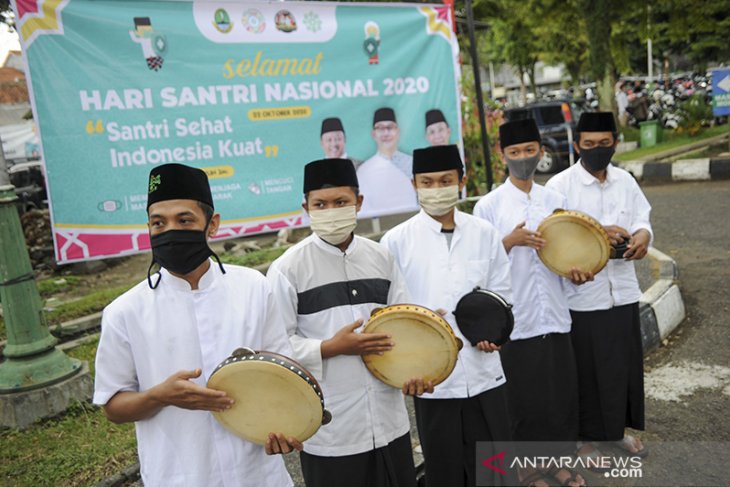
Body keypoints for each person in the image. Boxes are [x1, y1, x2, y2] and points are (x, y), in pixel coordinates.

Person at [93, 163, 297, 487]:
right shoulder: (125, 312)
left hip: (258, 474)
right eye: (159, 223)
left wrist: (285, 426)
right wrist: (160, 396)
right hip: (179, 476)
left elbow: (282, 373)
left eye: (184, 220)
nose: (170, 231)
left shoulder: (253, 287)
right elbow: (113, 407)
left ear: (212, 224)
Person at [267, 158, 423, 487]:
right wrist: (328, 348)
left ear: (359, 202)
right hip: (332, 431)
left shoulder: (380, 257)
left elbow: (405, 322)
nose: (331, 210)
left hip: (389, 422)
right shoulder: (288, 269)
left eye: (340, 202)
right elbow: (274, 347)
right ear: (306, 207)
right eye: (320, 204)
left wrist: (420, 360)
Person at [380, 145, 517, 487]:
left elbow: (502, 292)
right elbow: (389, 312)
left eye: (445, 180)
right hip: (433, 380)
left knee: (495, 469)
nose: (436, 188)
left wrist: (494, 333)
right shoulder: (395, 241)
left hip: (484, 374)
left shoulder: (483, 233)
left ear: (462, 181)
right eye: (427, 181)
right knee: (444, 471)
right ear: (414, 184)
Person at [474, 119, 591, 487]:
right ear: (502, 155)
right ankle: (525, 470)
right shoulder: (488, 206)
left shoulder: (555, 201)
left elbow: (568, 249)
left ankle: (558, 463)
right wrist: (508, 242)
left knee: (557, 398)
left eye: (529, 151)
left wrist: (577, 270)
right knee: (521, 402)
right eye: (514, 152)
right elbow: (478, 267)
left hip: (554, 314)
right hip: (516, 320)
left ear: (540, 151)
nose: (523, 158)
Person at [545, 112, 652, 461]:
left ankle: (615, 433)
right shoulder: (560, 186)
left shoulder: (625, 181)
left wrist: (642, 236)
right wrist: (597, 232)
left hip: (622, 292)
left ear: (615, 143)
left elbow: (642, 219)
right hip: (582, 298)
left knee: (620, 368)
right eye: (589, 145)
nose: (596, 150)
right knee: (587, 374)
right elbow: (553, 238)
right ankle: (583, 441)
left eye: (604, 144)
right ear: (577, 145)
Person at [357, 107, 418, 218]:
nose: (386, 133)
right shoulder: (364, 170)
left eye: (390, 127)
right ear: (374, 134)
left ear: (398, 132)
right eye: (380, 128)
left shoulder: (413, 163)